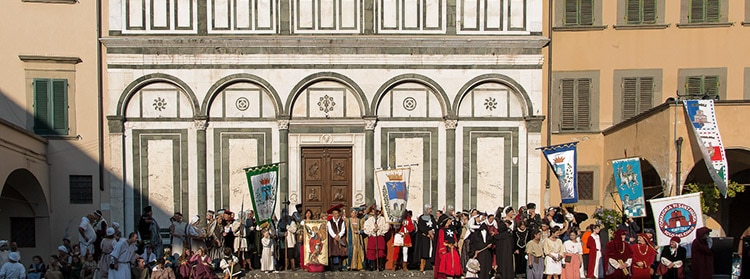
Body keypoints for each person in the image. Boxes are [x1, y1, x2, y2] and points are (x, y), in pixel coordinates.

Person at [364, 205, 388, 271]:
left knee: (380, 252)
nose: (375, 212)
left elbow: (386, 227)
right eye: (374, 211)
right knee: (371, 251)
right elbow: (366, 229)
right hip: (372, 236)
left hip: (380, 236)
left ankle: (380, 265)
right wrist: (373, 230)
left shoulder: (383, 219)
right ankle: (372, 265)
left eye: (376, 211)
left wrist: (379, 228)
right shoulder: (369, 220)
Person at [494, 206, 515, 279]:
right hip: (508, 254)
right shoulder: (509, 235)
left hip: (500, 255)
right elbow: (512, 245)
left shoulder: (497, 237)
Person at [327, 204, 348, 272]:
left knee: (340, 252)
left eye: (337, 213)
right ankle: (332, 267)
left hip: (340, 237)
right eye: (335, 213)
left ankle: (340, 266)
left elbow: (343, 229)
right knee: (332, 252)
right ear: (332, 214)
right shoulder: (329, 222)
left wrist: (339, 235)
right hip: (332, 238)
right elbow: (330, 230)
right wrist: (334, 236)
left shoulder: (342, 221)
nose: (336, 215)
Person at [417, 204, 437, 273]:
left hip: (432, 237)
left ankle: (434, 267)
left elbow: (434, 225)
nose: (431, 210)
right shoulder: (421, 218)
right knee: (424, 252)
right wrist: (427, 232)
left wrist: (432, 231)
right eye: (429, 209)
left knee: (432, 252)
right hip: (425, 238)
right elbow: (421, 227)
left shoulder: (432, 217)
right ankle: (422, 266)